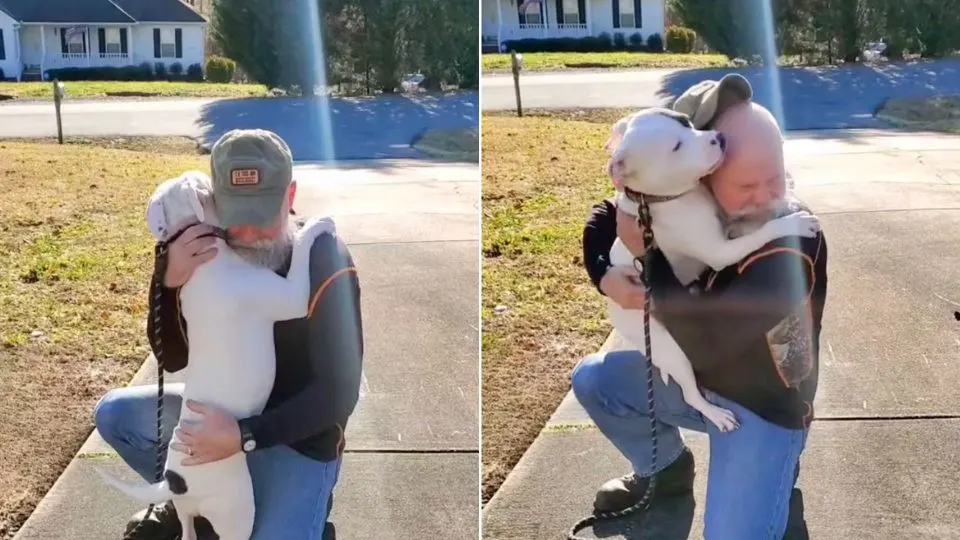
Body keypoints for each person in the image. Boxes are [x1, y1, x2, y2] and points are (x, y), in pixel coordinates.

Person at [572, 74, 828, 539]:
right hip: (703, 384)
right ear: (699, 180)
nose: (767, 195)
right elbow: (607, 213)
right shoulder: (686, 196)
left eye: (776, 175)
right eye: (747, 184)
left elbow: (710, 342)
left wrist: (649, 257)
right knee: (596, 380)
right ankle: (666, 475)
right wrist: (605, 275)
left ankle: (775, 490)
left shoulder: (791, 241)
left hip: (765, 407)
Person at [93, 128, 364, 540]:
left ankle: (307, 509)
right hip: (222, 412)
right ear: (214, 202)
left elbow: (339, 393)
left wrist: (244, 437)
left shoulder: (324, 255)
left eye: (262, 216)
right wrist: (167, 282)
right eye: (236, 217)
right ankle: (191, 497)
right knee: (117, 415)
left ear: (289, 197)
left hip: (298, 438)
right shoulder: (205, 249)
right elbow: (173, 360)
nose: (249, 234)